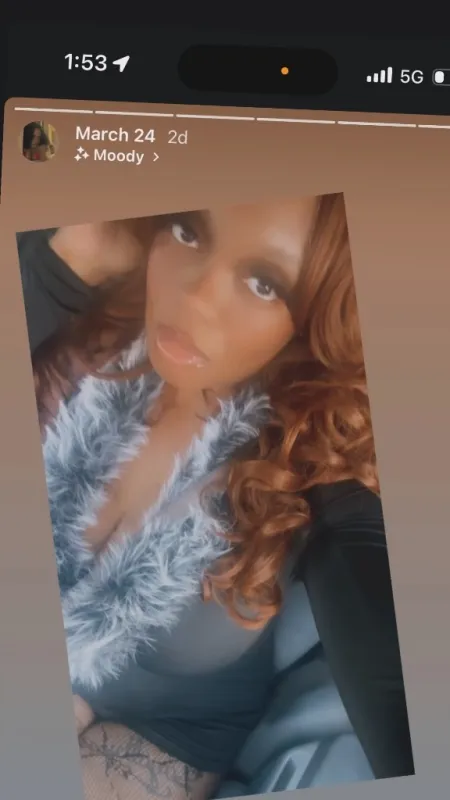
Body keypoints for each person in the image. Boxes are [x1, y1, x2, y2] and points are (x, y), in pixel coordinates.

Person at [16, 196, 414, 800]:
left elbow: (401, 695)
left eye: (263, 283)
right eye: (188, 231)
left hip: (163, 734)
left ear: (321, 311)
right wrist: (65, 269)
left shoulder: (318, 460)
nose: (195, 296)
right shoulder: (84, 326)